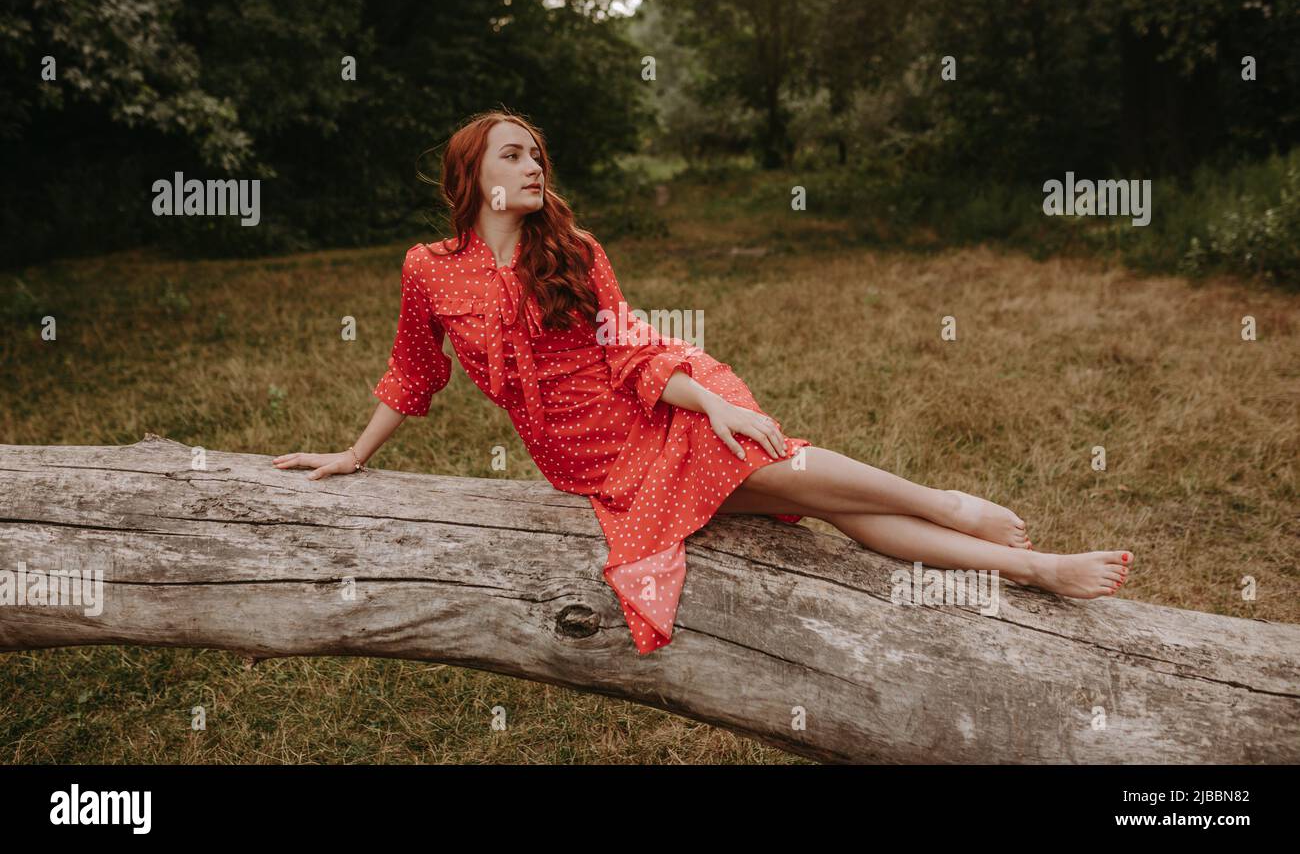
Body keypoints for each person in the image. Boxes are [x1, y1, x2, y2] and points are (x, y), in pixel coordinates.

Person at [274, 111, 1132, 654]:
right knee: (829, 504)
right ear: (475, 177)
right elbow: (412, 373)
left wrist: (713, 400)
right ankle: (1003, 545)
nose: (536, 166)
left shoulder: (573, 253)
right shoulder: (429, 270)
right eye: (515, 155)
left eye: (539, 153)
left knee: (796, 475)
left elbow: (632, 354)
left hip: (662, 416)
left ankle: (1003, 544)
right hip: (596, 469)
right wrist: (354, 454)